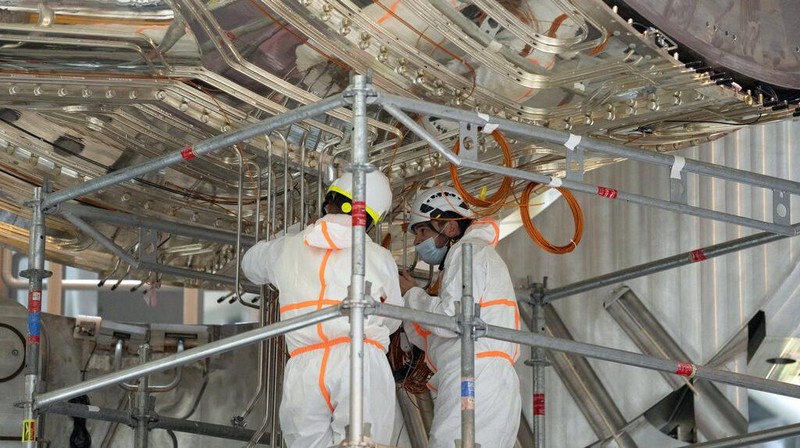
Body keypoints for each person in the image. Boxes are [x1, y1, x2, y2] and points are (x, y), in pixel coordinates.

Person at [242, 170, 403, 448]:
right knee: (362, 443)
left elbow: (250, 264)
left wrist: (294, 232)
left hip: (304, 367)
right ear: (371, 218)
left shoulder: (287, 248)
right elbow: (393, 319)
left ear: (328, 201)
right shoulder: (379, 257)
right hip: (359, 359)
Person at [399, 186, 521, 448]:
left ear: (450, 227)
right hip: (491, 377)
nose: (417, 242)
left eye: (422, 230)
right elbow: (443, 333)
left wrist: (411, 295)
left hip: (473, 374)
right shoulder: (479, 254)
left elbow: (449, 321)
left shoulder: (467, 252)